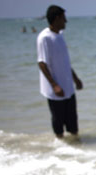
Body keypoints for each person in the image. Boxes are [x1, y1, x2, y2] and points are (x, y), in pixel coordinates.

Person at [37, 5, 83, 138]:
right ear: (57, 18)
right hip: (55, 91)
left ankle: (76, 149)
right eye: (64, 18)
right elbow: (42, 63)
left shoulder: (60, 36)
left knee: (73, 125)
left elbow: (65, 62)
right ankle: (60, 150)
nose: (66, 21)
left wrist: (76, 79)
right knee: (58, 126)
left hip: (68, 88)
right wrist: (54, 85)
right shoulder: (44, 38)